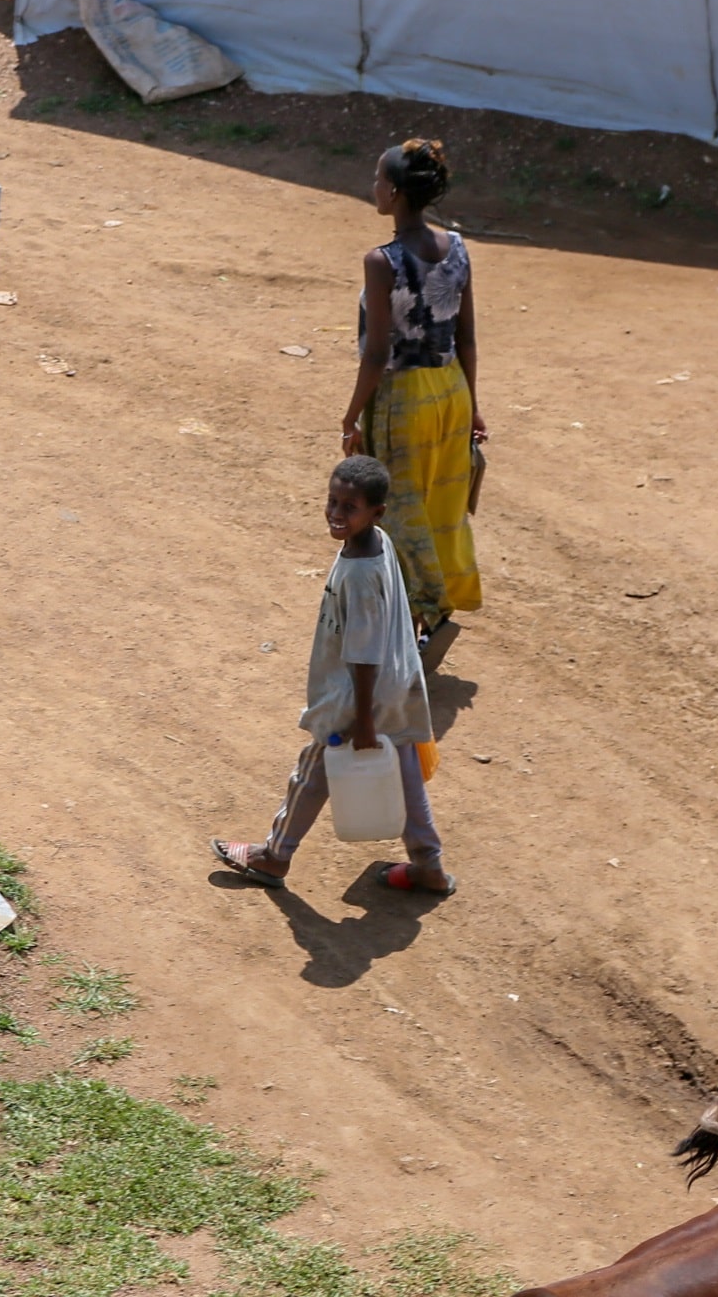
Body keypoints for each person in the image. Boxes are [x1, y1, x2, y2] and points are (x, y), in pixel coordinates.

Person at [211, 456, 452, 895]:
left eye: (349, 507)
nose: (337, 514)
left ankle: (275, 855)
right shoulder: (378, 540)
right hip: (397, 684)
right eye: (332, 501)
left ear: (376, 512)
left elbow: (361, 654)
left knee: (314, 769)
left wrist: (362, 720)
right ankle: (429, 864)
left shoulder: (359, 573)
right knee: (402, 770)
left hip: (359, 695)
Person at [339, 139, 483, 661]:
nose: (373, 185)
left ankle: (426, 610)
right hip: (450, 393)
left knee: (399, 511)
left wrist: (351, 414)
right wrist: (474, 405)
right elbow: (465, 337)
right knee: (441, 507)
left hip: (403, 400)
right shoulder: (458, 248)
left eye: (378, 178)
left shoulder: (382, 262)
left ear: (395, 192)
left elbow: (377, 352)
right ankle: (433, 610)